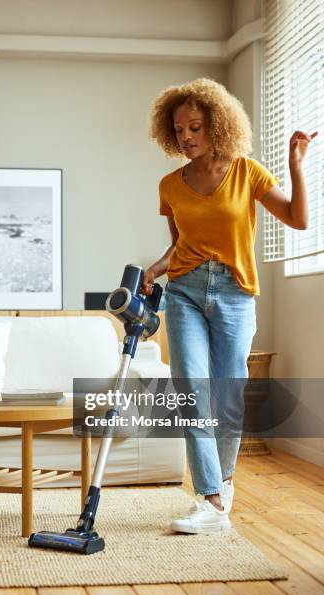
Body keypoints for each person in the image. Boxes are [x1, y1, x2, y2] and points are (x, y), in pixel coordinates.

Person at [141, 77, 317, 534]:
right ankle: (211, 499)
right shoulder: (169, 186)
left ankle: (224, 481)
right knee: (192, 392)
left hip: (235, 292)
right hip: (184, 292)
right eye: (178, 130)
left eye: (195, 127)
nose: (186, 137)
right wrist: (154, 270)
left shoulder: (246, 171)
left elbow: (298, 219)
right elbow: (178, 248)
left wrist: (297, 165)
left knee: (228, 395)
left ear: (216, 125)